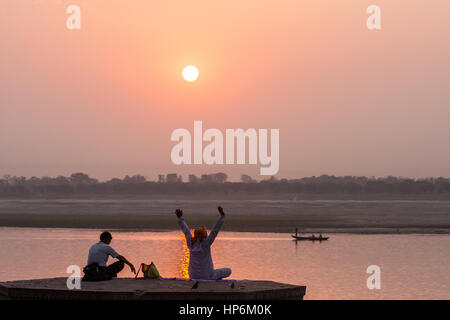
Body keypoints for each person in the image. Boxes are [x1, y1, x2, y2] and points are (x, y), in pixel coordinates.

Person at [176, 206, 231, 280]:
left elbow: (186, 231)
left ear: (195, 234)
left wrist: (180, 218)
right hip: (207, 276)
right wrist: (222, 217)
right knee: (228, 271)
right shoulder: (206, 243)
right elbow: (215, 231)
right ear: (205, 234)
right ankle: (216, 278)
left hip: (192, 275)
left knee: (217, 272)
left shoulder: (191, 243)